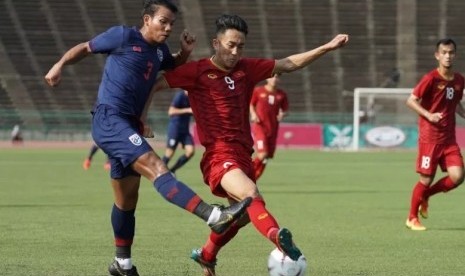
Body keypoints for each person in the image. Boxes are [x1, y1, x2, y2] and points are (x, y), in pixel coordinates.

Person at [44, 2, 251, 276]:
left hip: (128, 124)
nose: (168, 28)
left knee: (126, 201)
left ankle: (122, 264)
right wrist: (58, 65)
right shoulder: (123, 36)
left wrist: (184, 53)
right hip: (110, 118)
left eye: (171, 24)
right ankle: (214, 216)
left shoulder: (160, 50)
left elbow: (171, 66)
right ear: (147, 19)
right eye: (163, 21)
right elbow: (84, 47)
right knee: (157, 166)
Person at [150, 14, 348, 275]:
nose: (235, 52)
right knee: (251, 196)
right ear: (216, 43)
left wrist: (327, 47)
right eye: (230, 45)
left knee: (242, 215)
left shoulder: (247, 69)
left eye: (240, 46)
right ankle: (279, 239)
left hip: (243, 154)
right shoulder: (197, 72)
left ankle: (207, 255)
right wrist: (136, 116)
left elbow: (288, 64)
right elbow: (155, 83)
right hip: (218, 154)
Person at [405, 38, 465, 231]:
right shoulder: (430, 78)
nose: (448, 56)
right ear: (437, 55)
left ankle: (427, 195)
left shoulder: (459, 81)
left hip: (449, 139)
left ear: (455, 55)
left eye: (451, 53)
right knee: (425, 179)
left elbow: (455, 104)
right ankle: (411, 218)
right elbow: (411, 100)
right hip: (430, 139)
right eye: (444, 53)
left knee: (458, 176)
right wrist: (429, 115)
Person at [250, 73, 289, 180]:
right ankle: (247, 174)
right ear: (267, 78)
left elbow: (285, 110)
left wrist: (282, 114)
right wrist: (253, 114)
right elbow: (251, 104)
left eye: (277, 77)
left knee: (266, 157)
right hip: (260, 127)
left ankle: (254, 177)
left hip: (273, 128)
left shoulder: (281, 94)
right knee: (262, 154)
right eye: (273, 76)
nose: (275, 79)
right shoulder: (258, 91)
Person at [162, 89, 195, 174]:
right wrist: (187, 110)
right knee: (169, 154)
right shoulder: (180, 96)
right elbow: (171, 111)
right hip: (175, 129)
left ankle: (172, 170)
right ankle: (159, 173)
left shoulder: (193, 97)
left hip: (185, 131)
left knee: (190, 151)